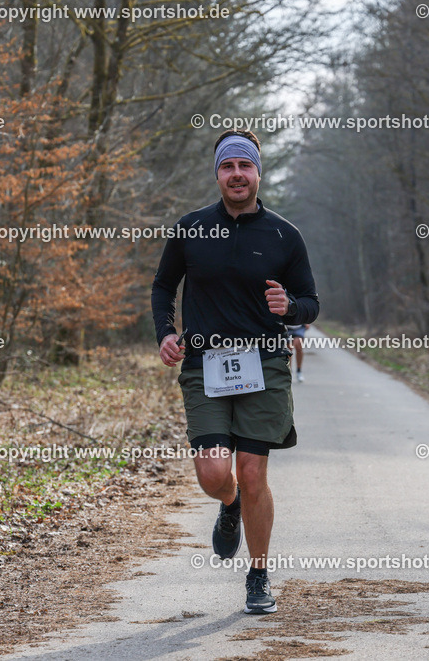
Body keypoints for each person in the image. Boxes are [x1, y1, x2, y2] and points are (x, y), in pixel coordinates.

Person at [151, 129, 319, 614]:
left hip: (264, 363)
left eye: (245, 166)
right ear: (218, 173)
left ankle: (259, 575)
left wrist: (289, 306)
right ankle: (229, 505)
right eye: (228, 167)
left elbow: (311, 304)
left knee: (251, 470)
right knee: (213, 473)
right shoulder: (191, 228)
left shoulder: (285, 235)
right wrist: (165, 331)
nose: (237, 175)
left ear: (258, 173)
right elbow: (163, 286)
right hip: (205, 364)